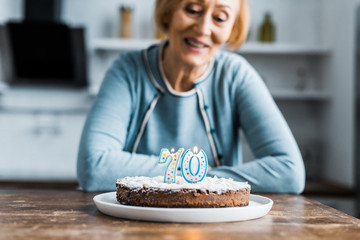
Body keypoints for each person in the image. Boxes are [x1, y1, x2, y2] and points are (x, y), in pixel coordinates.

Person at [77, 0, 305, 193]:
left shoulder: (237, 75)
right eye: (193, 10)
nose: (204, 28)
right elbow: (94, 167)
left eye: (220, 18)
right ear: (169, 11)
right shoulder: (127, 70)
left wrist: (191, 177)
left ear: (232, 29)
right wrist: (198, 176)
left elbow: (289, 172)